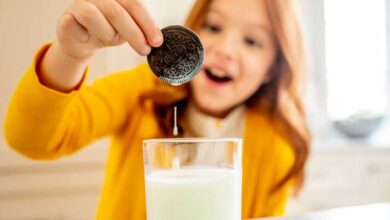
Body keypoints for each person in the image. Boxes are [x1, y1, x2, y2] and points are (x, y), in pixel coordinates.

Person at [4, 0, 311, 219]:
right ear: (190, 34)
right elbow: (30, 139)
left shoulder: (276, 147)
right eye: (214, 26)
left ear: (273, 67)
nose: (225, 49)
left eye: (253, 41)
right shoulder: (141, 93)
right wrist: (70, 55)